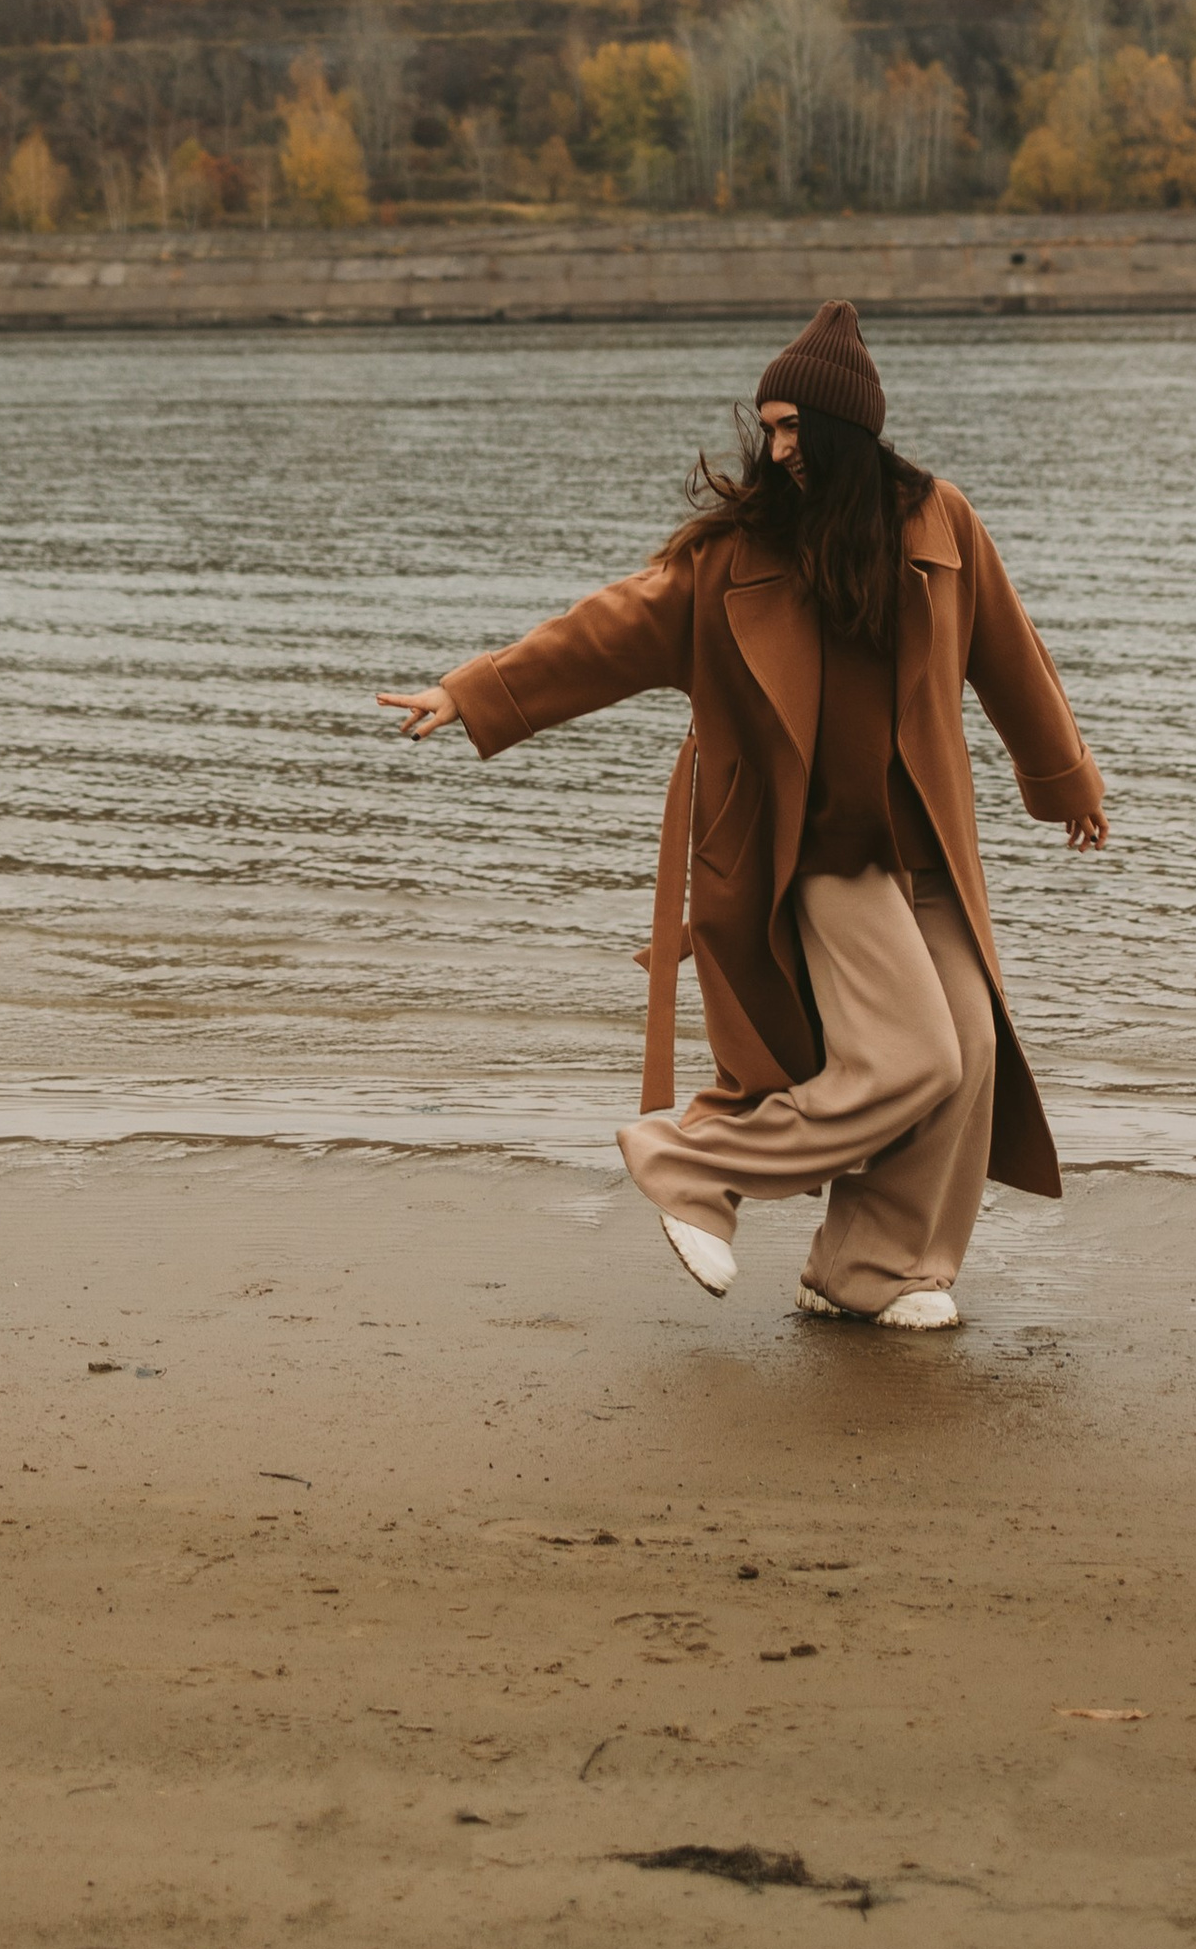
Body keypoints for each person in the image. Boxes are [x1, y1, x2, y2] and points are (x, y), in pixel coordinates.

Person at [378, 300, 1105, 1327]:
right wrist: (474, 690)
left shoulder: (940, 520)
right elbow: (610, 627)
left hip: (922, 843)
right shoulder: (734, 557)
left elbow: (1009, 656)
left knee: (973, 1051)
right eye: (768, 427)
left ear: (849, 429)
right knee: (913, 1057)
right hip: (809, 852)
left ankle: (870, 1271)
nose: (778, 448)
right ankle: (687, 1160)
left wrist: (1063, 780)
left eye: (796, 426)